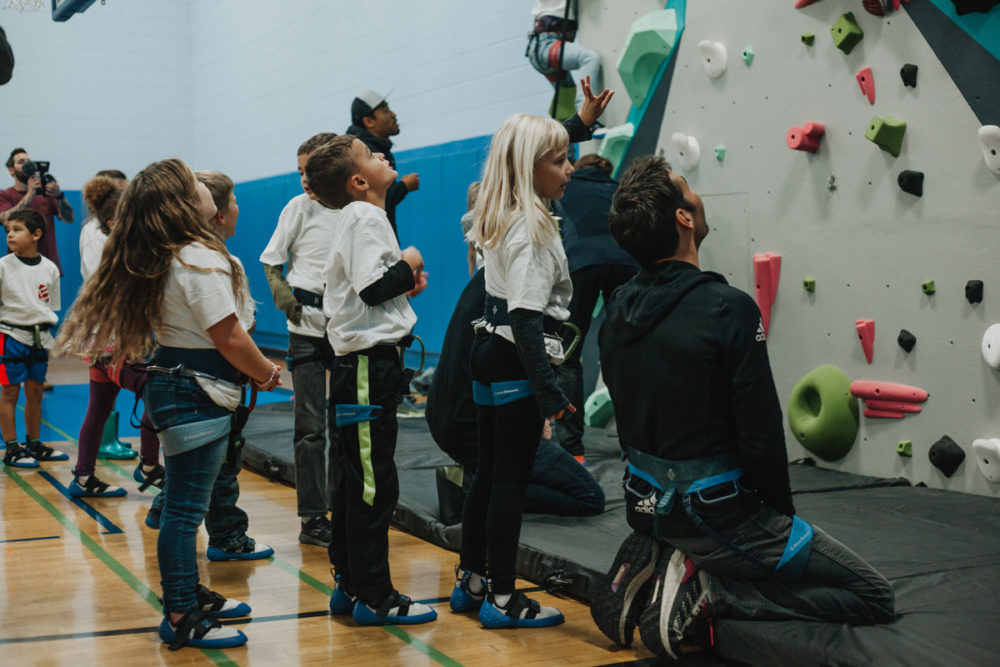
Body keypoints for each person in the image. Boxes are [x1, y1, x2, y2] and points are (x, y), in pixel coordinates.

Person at [591, 156, 895, 660]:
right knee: (872, 594)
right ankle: (713, 592)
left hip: (646, 507)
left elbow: (629, 428)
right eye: (690, 190)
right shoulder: (728, 309)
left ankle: (669, 555)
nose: (699, 197)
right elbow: (761, 437)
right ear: (684, 219)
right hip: (720, 518)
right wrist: (780, 524)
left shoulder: (617, 309)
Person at [56, 158, 282, 651]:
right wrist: (266, 372)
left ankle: (187, 594)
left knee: (184, 507)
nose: (205, 186)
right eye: (194, 183)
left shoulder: (175, 254)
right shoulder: (196, 258)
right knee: (182, 512)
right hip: (193, 392)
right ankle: (181, 613)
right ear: (184, 202)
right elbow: (227, 334)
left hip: (181, 390)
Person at [449, 114, 575, 630]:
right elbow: (526, 314)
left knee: (487, 474)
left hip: (487, 352)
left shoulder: (499, 213)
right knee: (510, 481)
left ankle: (472, 580)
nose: (569, 170)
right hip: (513, 356)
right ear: (529, 166)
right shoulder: (534, 228)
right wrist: (548, 391)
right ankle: (502, 597)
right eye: (559, 160)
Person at [303, 134, 434, 626]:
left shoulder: (359, 217)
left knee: (355, 481)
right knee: (373, 485)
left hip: (367, 364)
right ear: (359, 181)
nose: (383, 156)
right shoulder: (363, 216)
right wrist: (411, 262)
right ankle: (375, 594)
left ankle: (351, 585)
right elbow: (375, 285)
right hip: (364, 368)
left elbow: (373, 295)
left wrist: (403, 291)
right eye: (371, 155)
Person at [426, 186, 604, 519]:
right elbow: (514, 357)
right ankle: (469, 490)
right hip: (472, 424)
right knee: (588, 498)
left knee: (510, 467)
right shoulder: (510, 289)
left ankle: (479, 483)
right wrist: (541, 411)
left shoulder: (486, 279)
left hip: (454, 419)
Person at [260, 132, 340, 548]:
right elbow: (272, 260)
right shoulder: (298, 208)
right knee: (310, 426)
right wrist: (284, 297)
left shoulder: (355, 209)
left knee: (348, 421)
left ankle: (347, 505)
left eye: (311, 170)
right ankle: (312, 517)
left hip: (346, 328)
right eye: (299, 172)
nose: (305, 179)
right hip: (306, 330)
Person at [69, 174, 162, 498]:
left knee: (98, 407)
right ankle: (149, 465)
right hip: (111, 337)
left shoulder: (96, 230)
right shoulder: (103, 236)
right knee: (156, 393)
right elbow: (111, 283)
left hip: (102, 334)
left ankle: (83, 476)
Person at [551, 154, 636, 463]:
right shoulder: (620, 188)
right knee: (624, 354)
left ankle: (573, 449)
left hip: (581, 263)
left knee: (570, 353)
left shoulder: (566, 183)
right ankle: (633, 446)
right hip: (626, 265)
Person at [0, 209, 62, 468]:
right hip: (10, 335)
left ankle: (34, 443)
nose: (10, 235)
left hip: (39, 338)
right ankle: (12, 447)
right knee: (9, 393)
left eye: (17, 229)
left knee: (36, 391)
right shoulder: (3, 266)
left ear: (36, 235)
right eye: (8, 230)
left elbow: (51, 307)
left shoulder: (50, 269)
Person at [346, 90, 419, 236]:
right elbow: (375, 198)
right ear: (369, 122)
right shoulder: (360, 152)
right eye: (385, 110)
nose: (393, 114)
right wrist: (404, 186)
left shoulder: (376, 147)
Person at [0, 148, 75, 273]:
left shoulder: (46, 194)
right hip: (17, 267)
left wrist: (59, 196)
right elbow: (5, 220)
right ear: (11, 170)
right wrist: (30, 194)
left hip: (48, 265)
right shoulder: (5, 195)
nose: (27, 164)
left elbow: (69, 218)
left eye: (29, 161)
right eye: (21, 162)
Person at [526, 1, 601, 116]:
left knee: (566, 100)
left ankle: (564, 126)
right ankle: (585, 116)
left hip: (541, 49)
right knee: (588, 58)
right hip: (546, 45)